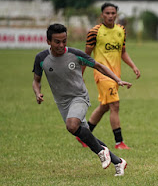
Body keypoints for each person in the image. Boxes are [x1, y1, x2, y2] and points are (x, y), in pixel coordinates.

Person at [32, 23, 130, 176]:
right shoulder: (41, 58)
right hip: (62, 104)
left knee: (72, 126)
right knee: (85, 134)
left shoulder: (75, 54)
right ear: (48, 42)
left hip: (79, 97)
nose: (61, 45)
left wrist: (117, 80)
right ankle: (118, 162)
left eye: (64, 40)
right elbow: (36, 80)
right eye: (57, 41)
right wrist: (37, 93)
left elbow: (98, 66)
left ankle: (101, 152)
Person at [81, 2, 141, 150]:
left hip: (116, 76)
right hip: (101, 74)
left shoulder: (121, 30)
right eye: (107, 13)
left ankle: (83, 135)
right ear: (102, 15)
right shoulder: (94, 32)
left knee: (105, 106)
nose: (110, 16)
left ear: (116, 15)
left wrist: (133, 66)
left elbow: (123, 52)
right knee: (115, 105)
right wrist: (79, 75)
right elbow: (85, 56)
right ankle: (119, 142)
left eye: (113, 13)